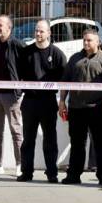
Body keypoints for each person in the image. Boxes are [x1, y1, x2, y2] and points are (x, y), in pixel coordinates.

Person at [59, 28, 102, 185]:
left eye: (89, 40)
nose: (86, 42)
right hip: (76, 108)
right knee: (77, 143)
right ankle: (74, 175)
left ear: (97, 42)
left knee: (100, 143)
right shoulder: (74, 59)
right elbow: (65, 82)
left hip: (97, 109)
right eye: (84, 40)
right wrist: (62, 101)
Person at [17, 20, 67, 183]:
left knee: (50, 138)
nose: (38, 34)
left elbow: (64, 80)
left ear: (49, 33)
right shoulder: (26, 52)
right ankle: (26, 172)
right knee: (28, 139)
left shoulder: (57, 54)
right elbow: (18, 75)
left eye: (42, 31)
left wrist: (62, 102)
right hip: (29, 102)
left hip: (48, 101)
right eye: (37, 31)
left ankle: (52, 173)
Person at [0, 14, 25, 176]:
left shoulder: (17, 45)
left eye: (1, 25)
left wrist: (19, 90)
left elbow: (25, 66)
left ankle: (20, 164)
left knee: (16, 131)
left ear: (9, 27)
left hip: (12, 96)